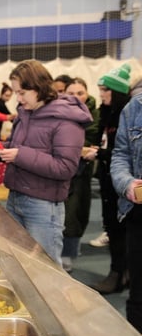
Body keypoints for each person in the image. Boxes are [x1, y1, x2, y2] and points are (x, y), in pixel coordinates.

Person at [0, 60, 92, 268]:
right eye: (16, 92)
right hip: (16, 198)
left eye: (22, 92)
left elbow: (65, 167)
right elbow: (20, 148)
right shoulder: (26, 113)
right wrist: (0, 150)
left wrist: (18, 155)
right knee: (20, 264)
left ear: (40, 87)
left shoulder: (66, 119)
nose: (18, 98)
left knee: (46, 270)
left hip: (43, 206)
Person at [90, 63, 132, 294]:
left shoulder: (126, 114)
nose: (102, 95)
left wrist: (98, 153)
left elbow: (123, 153)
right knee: (113, 229)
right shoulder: (108, 114)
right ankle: (120, 272)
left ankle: (119, 274)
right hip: (108, 181)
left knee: (119, 231)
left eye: (105, 91)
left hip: (121, 185)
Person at [60, 78, 101, 271]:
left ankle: (69, 253)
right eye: (71, 93)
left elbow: (93, 144)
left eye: (80, 93)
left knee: (76, 212)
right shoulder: (57, 113)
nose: (75, 97)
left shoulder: (95, 115)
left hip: (81, 172)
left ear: (87, 94)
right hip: (59, 170)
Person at [110, 89, 142, 333]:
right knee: (138, 298)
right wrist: (126, 183)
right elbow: (120, 155)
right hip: (137, 214)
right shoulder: (134, 108)